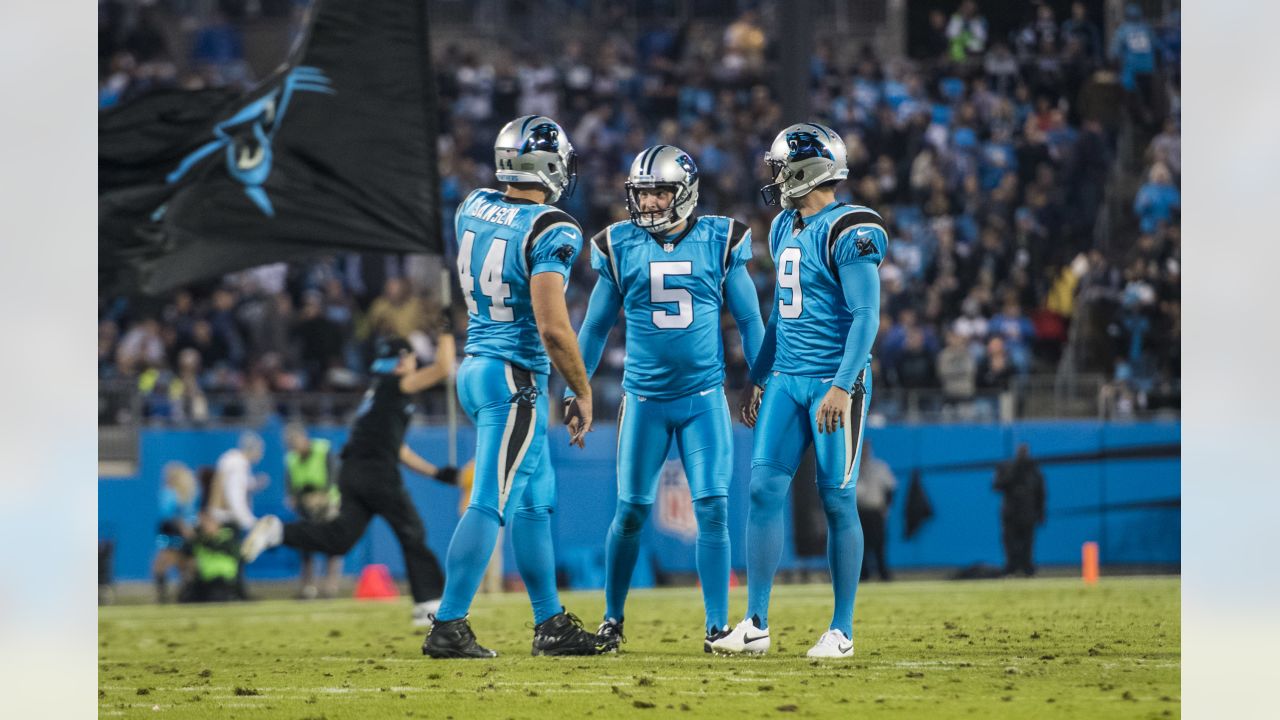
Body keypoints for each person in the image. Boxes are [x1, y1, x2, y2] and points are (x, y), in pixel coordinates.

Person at [567, 145, 764, 654]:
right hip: (645, 400)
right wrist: (578, 387)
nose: (650, 203)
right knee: (631, 510)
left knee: (714, 507)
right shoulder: (619, 243)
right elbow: (593, 326)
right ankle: (612, 620)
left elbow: (749, 320)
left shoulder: (720, 239)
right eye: (643, 192)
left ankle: (716, 626)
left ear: (686, 192)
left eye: (660, 191)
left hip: (703, 398)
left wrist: (760, 378)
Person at [422, 115, 600, 659]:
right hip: (512, 378)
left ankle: (550, 622)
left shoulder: (471, 204)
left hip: (477, 366)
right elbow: (551, 325)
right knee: (490, 502)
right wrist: (582, 389)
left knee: (534, 501)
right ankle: (448, 624)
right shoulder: (554, 228)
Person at [713, 122, 886, 660]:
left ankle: (842, 630)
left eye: (781, 165)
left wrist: (840, 386)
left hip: (836, 383)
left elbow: (866, 317)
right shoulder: (784, 225)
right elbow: (779, 317)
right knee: (764, 490)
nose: (774, 175)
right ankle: (757, 621)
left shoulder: (851, 228)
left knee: (837, 500)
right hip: (787, 379)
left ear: (806, 169)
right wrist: (758, 376)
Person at [241, 334, 459, 626]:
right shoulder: (395, 386)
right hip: (376, 473)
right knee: (412, 532)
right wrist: (445, 330)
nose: (415, 361)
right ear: (400, 363)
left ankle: (279, 532)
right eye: (410, 357)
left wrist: (437, 473)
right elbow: (444, 369)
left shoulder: (379, 393)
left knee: (340, 538)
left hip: (353, 473)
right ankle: (429, 604)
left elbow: (400, 449)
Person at [282, 423, 344, 599]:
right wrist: (299, 500)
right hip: (305, 507)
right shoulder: (291, 459)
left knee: (332, 544)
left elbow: (334, 478)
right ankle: (309, 587)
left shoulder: (323, 450)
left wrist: (321, 497)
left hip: (328, 503)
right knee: (306, 545)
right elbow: (290, 491)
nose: (294, 448)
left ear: (304, 438)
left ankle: (331, 586)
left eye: (295, 442)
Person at [993, 443, 1046, 576]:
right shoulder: (1007, 467)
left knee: (1027, 542)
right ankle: (1012, 567)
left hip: (1028, 513)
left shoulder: (1034, 471)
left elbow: (1041, 493)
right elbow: (997, 485)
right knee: (1010, 541)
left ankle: (1026, 567)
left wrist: (1040, 512)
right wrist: (1014, 470)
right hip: (1011, 513)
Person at [152, 461, 199, 603]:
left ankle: (170, 596)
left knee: (165, 564)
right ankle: (182, 595)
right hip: (178, 532)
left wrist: (184, 527)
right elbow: (188, 515)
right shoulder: (185, 493)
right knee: (184, 565)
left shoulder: (170, 492)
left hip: (174, 532)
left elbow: (168, 514)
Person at [855, 441, 896, 582]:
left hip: (875, 510)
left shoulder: (879, 467)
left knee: (879, 544)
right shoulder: (852, 468)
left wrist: (886, 508)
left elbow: (890, 488)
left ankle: (882, 573)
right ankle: (863, 574)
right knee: (861, 545)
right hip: (858, 511)